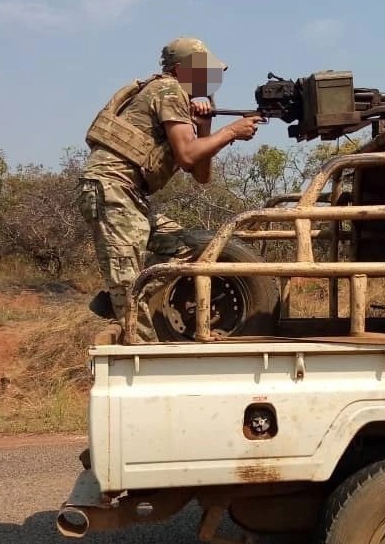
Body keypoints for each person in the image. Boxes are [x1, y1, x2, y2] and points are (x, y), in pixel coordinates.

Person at [78, 37, 262, 341]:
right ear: (181, 69)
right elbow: (188, 155)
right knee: (129, 298)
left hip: (129, 194)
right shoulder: (168, 89)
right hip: (111, 189)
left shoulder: (181, 98)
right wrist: (231, 131)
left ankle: (118, 296)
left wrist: (205, 128)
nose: (211, 79)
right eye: (204, 70)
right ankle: (141, 353)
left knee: (192, 248)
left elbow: (200, 174)